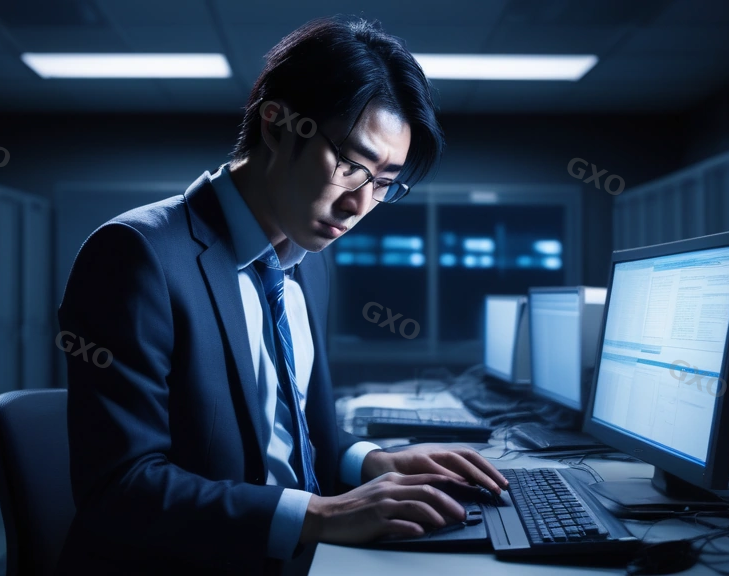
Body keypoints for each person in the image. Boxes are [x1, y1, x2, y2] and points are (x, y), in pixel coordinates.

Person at [54, 15, 508, 576]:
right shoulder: (137, 255)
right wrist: (317, 516)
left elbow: (299, 431)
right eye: (351, 166)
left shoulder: (306, 259)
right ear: (276, 124)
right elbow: (119, 487)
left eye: (386, 183)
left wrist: (376, 463)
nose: (359, 205)